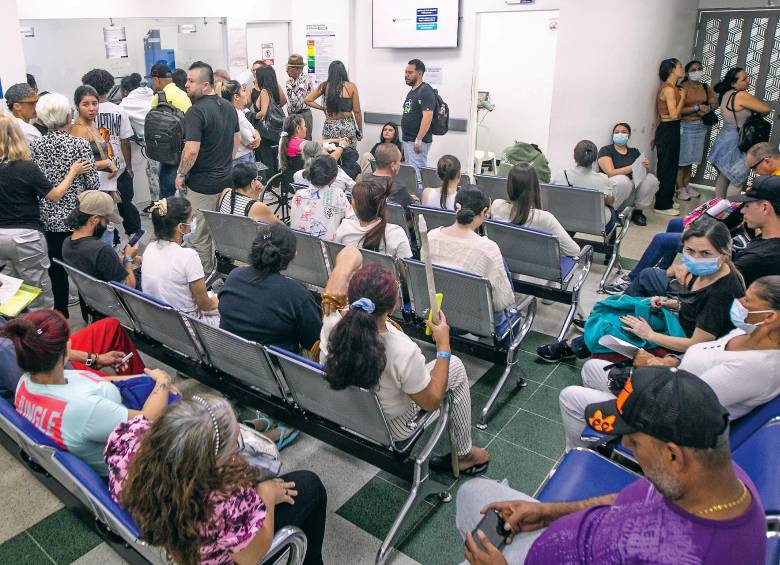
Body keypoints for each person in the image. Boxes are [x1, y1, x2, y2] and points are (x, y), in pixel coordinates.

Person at [457, 366, 767, 565]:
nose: (625, 446)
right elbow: (625, 501)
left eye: (633, 440)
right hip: (557, 538)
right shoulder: (704, 477)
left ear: (673, 455)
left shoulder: (700, 554)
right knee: (471, 493)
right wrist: (548, 513)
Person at [320, 247, 490, 474]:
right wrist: (443, 347)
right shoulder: (402, 349)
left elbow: (351, 252)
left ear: (351, 295)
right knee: (456, 367)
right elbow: (430, 402)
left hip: (347, 411)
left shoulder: (331, 320)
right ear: (392, 307)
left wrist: (335, 281)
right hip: (391, 425)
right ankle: (464, 453)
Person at [560, 275, 780, 449]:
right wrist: (668, 361)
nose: (739, 303)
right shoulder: (748, 334)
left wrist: (646, 377)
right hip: (670, 385)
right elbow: (704, 356)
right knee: (591, 368)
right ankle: (604, 437)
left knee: (569, 397)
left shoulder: (755, 367)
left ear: (770, 317)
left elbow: (682, 408)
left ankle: (579, 454)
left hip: (668, 425)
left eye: (747, 301)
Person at [105, 395, 327, 565]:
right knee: (310, 486)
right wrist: (266, 495)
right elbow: (249, 558)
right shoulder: (225, 497)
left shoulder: (127, 438)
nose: (237, 450)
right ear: (211, 461)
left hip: (159, 530)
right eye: (233, 447)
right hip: (205, 554)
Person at [538, 221, 746, 362]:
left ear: (725, 253)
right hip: (678, 322)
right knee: (630, 300)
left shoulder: (722, 291)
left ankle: (576, 346)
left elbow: (695, 345)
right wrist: (669, 303)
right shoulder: (707, 272)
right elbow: (695, 306)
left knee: (616, 326)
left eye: (705, 253)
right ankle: (591, 333)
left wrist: (650, 335)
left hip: (686, 342)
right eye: (690, 251)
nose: (696, 258)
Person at [2, 309, 173, 475]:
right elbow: (148, 419)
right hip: (132, 458)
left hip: (105, 420)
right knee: (178, 403)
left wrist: (141, 377)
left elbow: (93, 380)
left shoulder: (28, 381)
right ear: (65, 350)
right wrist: (162, 381)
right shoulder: (84, 408)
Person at [0, 113, 89, 310]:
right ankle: (44, 336)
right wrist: (72, 172)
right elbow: (55, 195)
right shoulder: (24, 167)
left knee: (11, 293)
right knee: (39, 293)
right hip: (25, 237)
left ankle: (18, 334)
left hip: (1, 237)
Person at [31, 93, 101, 316]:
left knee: (56, 274)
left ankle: (61, 319)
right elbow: (92, 183)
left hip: (49, 220)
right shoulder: (79, 144)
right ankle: (89, 315)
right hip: (78, 219)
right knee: (84, 273)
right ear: (68, 116)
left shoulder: (35, 146)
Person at [176, 61, 240, 276]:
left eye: (191, 81)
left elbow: (191, 150)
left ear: (205, 85)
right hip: (226, 182)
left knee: (198, 235)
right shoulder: (229, 107)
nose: (186, 85)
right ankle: (225, 275)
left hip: (202, 187)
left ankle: (204, 280)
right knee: (223, 232)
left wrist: (181, 173)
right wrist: (224, 163)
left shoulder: (195, 112)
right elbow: (236, 140)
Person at [219, 225, 321, 352]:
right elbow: (314, 342)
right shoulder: (297, 295)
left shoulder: (234, 276)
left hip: (231, 358)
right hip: (275, 368)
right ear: (293, 255)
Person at [428, 187, 516, 316]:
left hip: (438, 312)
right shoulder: (488, 248)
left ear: (455, 208)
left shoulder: (431, 236)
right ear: (484, 212)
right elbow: (502, 301)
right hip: (474, 319)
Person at [81, 69, 142, 238]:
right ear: (109, 87)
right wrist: (128, 166)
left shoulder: (84, 112)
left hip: (95, 169)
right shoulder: (119, 110)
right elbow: (124, 141)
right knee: (126, 205)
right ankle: (134, 237)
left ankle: (109, 239)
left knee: (99, 212)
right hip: (119, 167)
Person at [142, 197, 219, 323]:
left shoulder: (149, 248)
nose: (194, 221)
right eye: (191, 219)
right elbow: (205, 305)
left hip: (158, 320)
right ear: (181, 227)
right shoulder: (188, 256)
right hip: (188, 326)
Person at [491, 163, 580, 257]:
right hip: (535, 269)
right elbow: (573, 251)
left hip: (504, 263)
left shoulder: (497, 205)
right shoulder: (545, 219)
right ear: (534, 187)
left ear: (509, 186)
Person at [709, 67, 771, 198]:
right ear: (733, 83)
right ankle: (729, 212)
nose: (748, 81)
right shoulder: (741, 95)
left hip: (725, 137)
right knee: (737, 179)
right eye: (744, 79)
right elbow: (766, 109)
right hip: (740, 139)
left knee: (724, 175)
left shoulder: (726, 94)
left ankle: (717, 208)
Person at [62, 191, 139, 290]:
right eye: (106, 220)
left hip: (93, 296)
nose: (108, 225)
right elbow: (129, 288)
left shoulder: (67, 242)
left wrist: (119, 258)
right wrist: (128, 259)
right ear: (94, 219)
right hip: (113, 301)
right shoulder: (102, 250)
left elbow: (95, 264)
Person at [597, 122, 660, 226]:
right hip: (613, 194)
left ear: (628, 135)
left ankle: (638, 212)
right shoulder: (606, 150)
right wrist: (632, 167)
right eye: (617, 132)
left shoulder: (634, 151)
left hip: (632, 192)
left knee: (651, 179)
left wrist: (644, 166)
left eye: (623, 132)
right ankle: (612, 213)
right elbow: (610, 172)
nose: (620, 134)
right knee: (623, 180)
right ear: (613, 135)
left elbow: (642, 172)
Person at [335, 180, 413, 258]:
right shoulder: (396, 233)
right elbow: (407, 268)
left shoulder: (344, 228)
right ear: (382, 204)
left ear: (354, 206)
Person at [551, 140, 617, 229]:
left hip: (565, 219)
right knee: (612, 211)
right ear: (595, 158)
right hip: (593, 223)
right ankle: (610, 242)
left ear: (574, 156)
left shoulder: (561, 174)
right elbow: (610, 201)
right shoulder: (602, 179)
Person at [149, 63, 191, 200]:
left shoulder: (159, 97)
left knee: (167, 196)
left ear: (156, 79)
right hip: (186, 150)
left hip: (169, 154)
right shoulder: (183, 94)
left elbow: (153, 124)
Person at [728, 175, 780, 285]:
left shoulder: (756, 259)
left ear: (765, 208)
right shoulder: (766, 242)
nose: (742, 211)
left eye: (747, 205)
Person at [677, 60, 718, 200]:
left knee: (692, 159)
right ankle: (680, 188)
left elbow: (714, 103)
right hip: (686, 126)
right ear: (688, 73)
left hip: (701, 126)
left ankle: (687, 184)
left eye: (699, 68)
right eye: (693, 69)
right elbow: (678, 110)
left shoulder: (705, 86)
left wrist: (710, 107)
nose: (697, 71)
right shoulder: (682, 87)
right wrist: (696, 108)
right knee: (683, 160)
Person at [290, 155, 353, 241]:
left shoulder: (298, 195)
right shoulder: (338, 195)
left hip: (299, 247)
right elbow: (351, 219)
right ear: (334, 179)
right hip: (327, 250)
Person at [71, 85, 120, 193]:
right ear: (77, 106)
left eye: (94, 103)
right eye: (85, 104)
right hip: (90, 189)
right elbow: (78, 164)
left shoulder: (92, 124)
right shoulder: (80, 130)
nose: (92, 108)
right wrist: (106, 163)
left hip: (102, 184)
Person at [653, 58, 687, 216]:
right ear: (672, 70)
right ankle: (661, 204)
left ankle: (667, 199)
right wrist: (683, 98)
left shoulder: (673, 88)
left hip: (670, 129)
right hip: (669, 128)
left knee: (671, 166)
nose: (682, 68)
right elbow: (673, 115)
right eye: (680, 66)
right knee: (666, 168)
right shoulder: (669, 89)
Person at [304, 60, 363, 148]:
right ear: (344, 72)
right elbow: (357, 111)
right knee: (350, 155)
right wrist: (360, 129)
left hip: (330, 126)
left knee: (330, 156)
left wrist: (322, 108)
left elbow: (307, 100)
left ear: (330, 72)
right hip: (347, 126)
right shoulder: (351, 86)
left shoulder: (325, 86)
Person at [401, 59, 435, 180]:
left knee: (417, 175)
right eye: (405, 72)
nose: (406, 75)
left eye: (410, 72)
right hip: (408, 140)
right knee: (411, 174)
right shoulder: (412, 92)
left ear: (419, 73)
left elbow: (428, 117)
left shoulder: (425, 90)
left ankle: (420, 198)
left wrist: (419, 139)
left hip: (417, 141)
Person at [252, 65, 286, 172]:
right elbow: (283, 101)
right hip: (276, 129)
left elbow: (263, 112)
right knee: (276, 157)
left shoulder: (264, 91)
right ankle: (276, 182)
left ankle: (268, 183)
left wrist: (252, 115)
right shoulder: (275, 88)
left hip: (265, 132)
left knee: (265, 159)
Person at [218, 79, 260, 165]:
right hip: (242, 160)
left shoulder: (228, 111)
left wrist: (256, 133)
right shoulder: (237, 115)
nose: (245, 94)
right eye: (243, 91)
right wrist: (258, 136)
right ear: (236, 96)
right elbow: (251, 142)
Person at [362, 143, 415, 209]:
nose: (400, 164)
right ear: (393, 165)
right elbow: (411, 214)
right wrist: (410, 198)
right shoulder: (399, 189)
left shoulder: (363, 180)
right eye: (399, 161)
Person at [285, 54, 314, 140]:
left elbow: (295, 103)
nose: (286, 70)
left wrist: (289, 87)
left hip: (303, 115)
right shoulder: (293, 79)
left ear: (298, 69)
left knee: (305, 143)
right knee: (292, 142)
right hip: (293, 115)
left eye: (289, 68)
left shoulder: (304, 80)